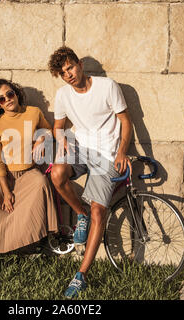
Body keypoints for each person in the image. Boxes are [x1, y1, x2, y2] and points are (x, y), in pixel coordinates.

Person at [48, 47, 133, 298]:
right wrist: (61, 138)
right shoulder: (63, 94)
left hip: (106, 154)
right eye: (63, 73)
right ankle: (80, 213)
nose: (69, 75)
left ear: (80, 64)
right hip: (80, 148)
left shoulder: (107, 87)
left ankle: (81, 275)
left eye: (70, 68)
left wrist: (121, 152)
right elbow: (58, 126)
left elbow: (126, 122)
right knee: (57, 174)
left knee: (99, 210)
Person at [0, 79, 58, 279]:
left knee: (42, 183)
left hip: (29, 173)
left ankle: (35, 245)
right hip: (6, 177)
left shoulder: (33, 113)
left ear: (16, 93)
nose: (7, 100)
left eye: (9, 94)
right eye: (1, 99)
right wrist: (6, 191)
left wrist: (41, 140)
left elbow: (49, 130)